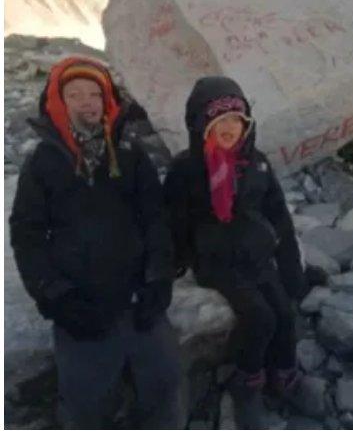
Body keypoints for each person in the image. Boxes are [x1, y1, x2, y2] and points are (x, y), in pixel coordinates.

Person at [10, 55, 182, 428]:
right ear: (59, 103)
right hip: (80, 302)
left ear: (108, 101)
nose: (87, 102)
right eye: (75, 95)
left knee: (165, 386)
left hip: (138, 298)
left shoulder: (130, 155)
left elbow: (156, 218)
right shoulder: (44, 162)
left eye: (95, 94)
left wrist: (159, 278)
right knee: (85, 403)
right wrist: (55, 295)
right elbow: (27, 233)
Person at [165, 76, 318, 428]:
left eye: (236, 120)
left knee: (283, 311)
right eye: (219, 122)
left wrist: (292, 267)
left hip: (257, 256)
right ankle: (247, 380)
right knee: (259, 317)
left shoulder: (256, 163)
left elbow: (278, 216)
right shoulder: (187, 170)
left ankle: (284, 374)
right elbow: (171, 220)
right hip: (219, 263)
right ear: (201, 126)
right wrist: (171, 263)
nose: (229, 129)